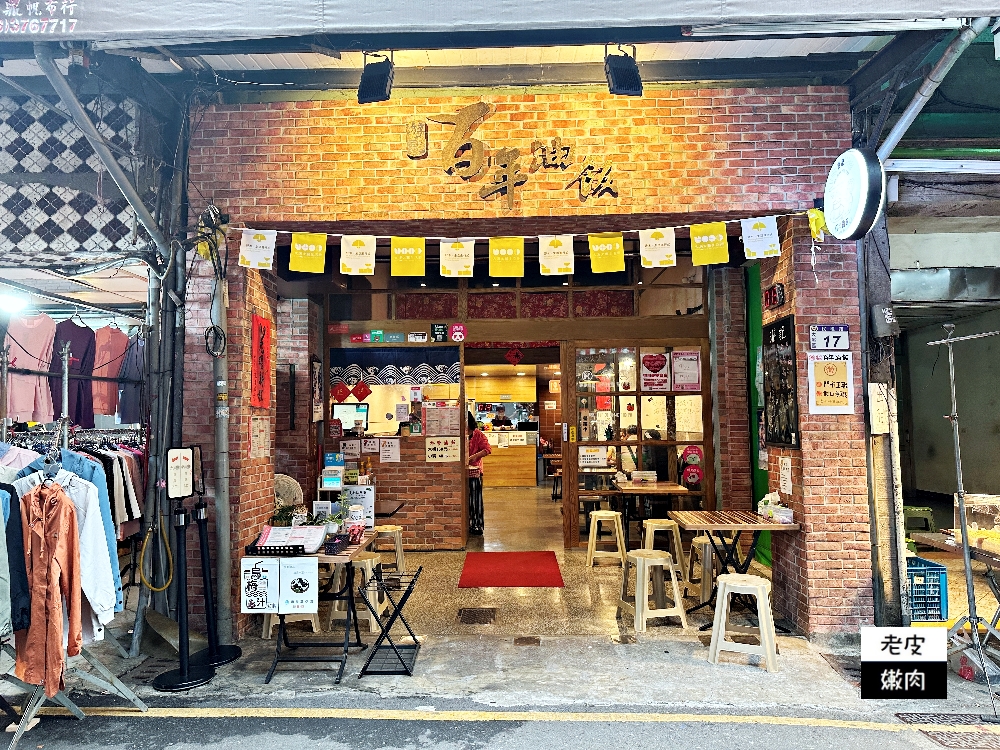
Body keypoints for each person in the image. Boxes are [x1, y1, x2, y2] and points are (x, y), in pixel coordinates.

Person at [467, 411, 492, 535]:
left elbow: (487, 449)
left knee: (475, 500)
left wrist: (473, 457)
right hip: (461, 472)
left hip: (475, 471)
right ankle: (466, 524)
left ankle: (476, 525)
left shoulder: (477, 434)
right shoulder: (457, 434)